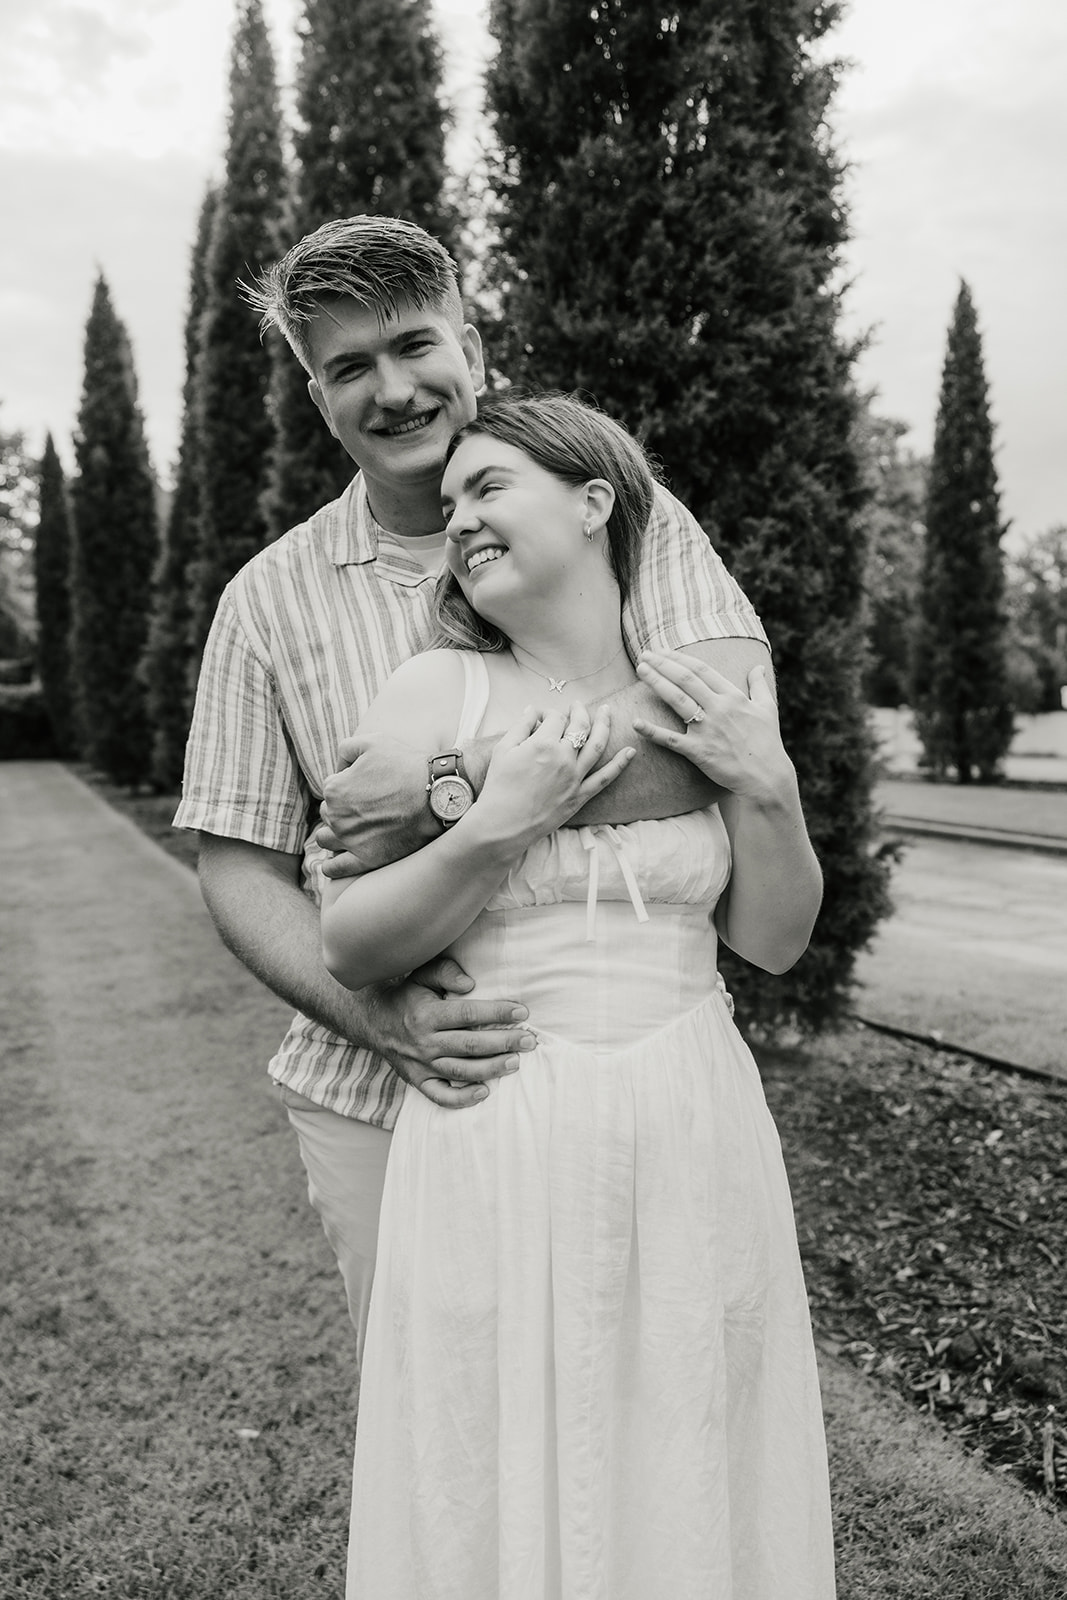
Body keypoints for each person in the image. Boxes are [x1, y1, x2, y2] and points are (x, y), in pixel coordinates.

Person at [174, 215, 771, 1366]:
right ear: (316, 397)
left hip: (611, 1080)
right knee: (444, 1444)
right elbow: (236, 863)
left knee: (633, 1402)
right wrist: (374, 1013)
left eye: (413, 344)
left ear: (473, 347)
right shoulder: (266, 600)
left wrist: (447, 785)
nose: (391, 389)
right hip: (370, 1095)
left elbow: (725, 731)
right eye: (348, 367)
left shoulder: (624, 520)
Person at [321, 392, 833, 1599]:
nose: (458, 521)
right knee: (488, 1454)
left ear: (594, 499)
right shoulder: (432, 694)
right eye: (447, 507)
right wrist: (491, 827)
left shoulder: (693, 691)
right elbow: (350, 939)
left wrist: (769, 792)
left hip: (691, 1119)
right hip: (500, 1126)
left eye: (487, 488)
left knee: (690, 1440)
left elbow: (769, 939)